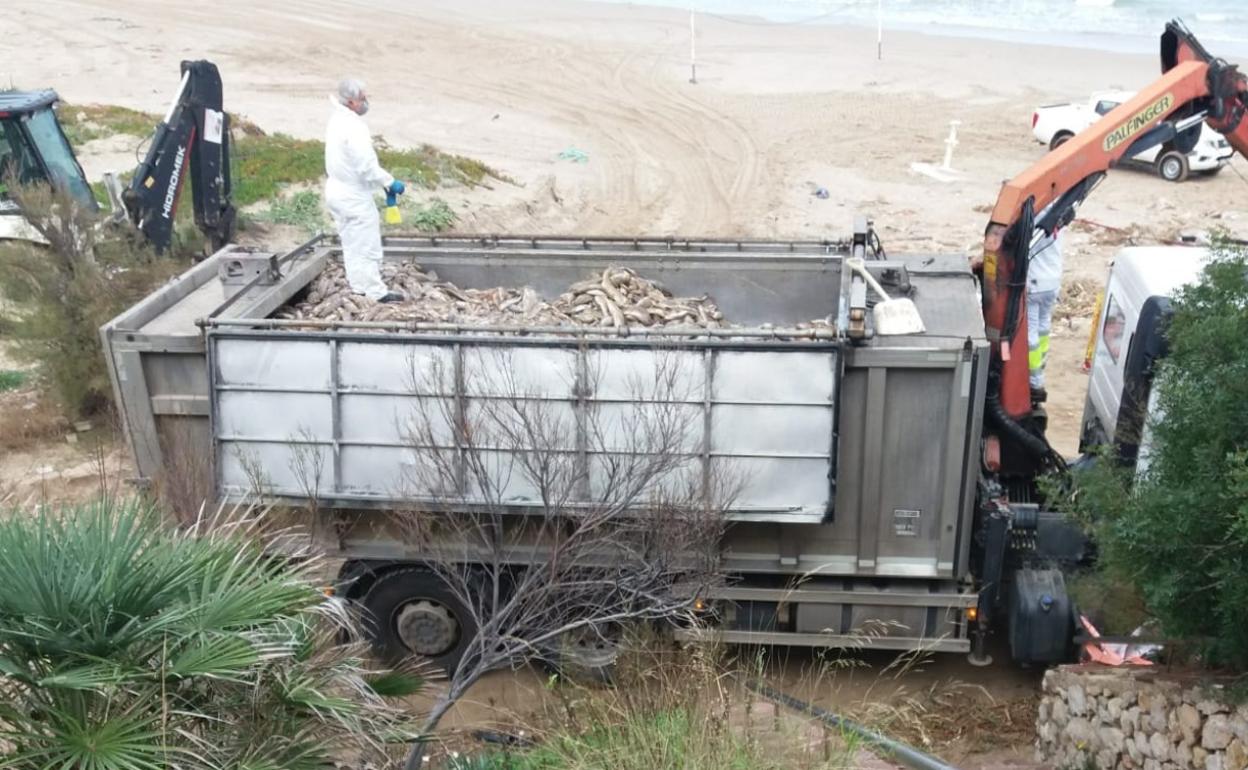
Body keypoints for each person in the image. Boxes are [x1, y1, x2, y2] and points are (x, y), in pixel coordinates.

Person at [325, 78, 406, 302]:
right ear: (351, 102)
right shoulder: (353, 127)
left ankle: (358, 286)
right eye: (362, 98)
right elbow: (366, 166)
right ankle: (375, 292)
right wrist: (390, 182)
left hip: (336, 190)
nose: (365, 102)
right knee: (366, 242)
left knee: (350, 242)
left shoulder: (337, 120)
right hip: (353, 195)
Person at [1026, 229, 1063, 403]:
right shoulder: (1059, 216)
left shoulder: (1035, 217)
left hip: (1035, 283)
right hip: (1053, 281)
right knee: (1043, 328)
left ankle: (1034, 379)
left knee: (1030, 334)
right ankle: (1040, 369)